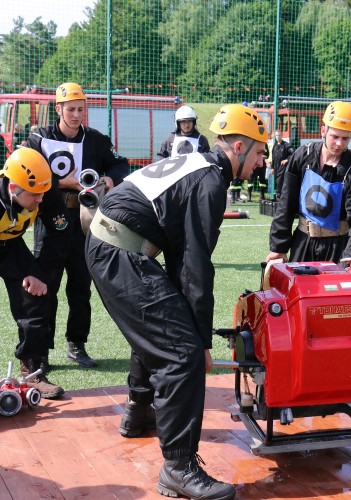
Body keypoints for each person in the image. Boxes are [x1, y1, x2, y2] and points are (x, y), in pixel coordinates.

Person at [85, 104, 267, 500]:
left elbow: (180, 262)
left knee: (164, 325)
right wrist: (201, 340)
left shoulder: (196, 161)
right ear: (239, 146)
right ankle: (179, 469)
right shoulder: (211, 182)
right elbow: (194, 266)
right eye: (258, 154)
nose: (260, 163)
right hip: (120, 250)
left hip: (111, 243)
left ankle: (137, 412)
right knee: (180, 350)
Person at [27, 82, 129, 369]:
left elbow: (120, 164)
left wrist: (109, 181)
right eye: (70, 109)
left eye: (81, 109)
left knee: (81, 287)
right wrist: (63, 183)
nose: (76, 114)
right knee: (45, 288)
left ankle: (77, 344)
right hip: (51, 219)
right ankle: (40, 352)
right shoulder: (40, 138)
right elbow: (26, 173)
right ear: (58, 108)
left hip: (85, 220)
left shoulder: (95, 139)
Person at [266, 101, 351, 264]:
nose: (339, 143)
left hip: (338, 248)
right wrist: (278, 247)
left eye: (345, 138)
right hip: (302, 243)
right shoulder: (302, 156)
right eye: (335, 136)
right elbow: (286, 204)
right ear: (323, 130)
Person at [0, 148, 69, 398]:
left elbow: (59, 235)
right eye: (33, 195)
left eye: (43, 192)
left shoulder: (45, 191)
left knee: (37, 300)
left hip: (11, 245)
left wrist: (39, 275)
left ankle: (31, 373)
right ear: (13, 187)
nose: (40, 199)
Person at [270, 129, 294, 199]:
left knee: (280, 182)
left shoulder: (286, 145)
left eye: (279, 135)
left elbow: (293, 154)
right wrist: (272, 167)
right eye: (276, 135)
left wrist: (286, 160)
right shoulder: (275, 146)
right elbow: (273, 158)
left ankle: (280, 197)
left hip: (283, 168)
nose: (278, 137)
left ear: (282, 136)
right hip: (276, 168)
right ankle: (277, 196)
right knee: (276, 183)